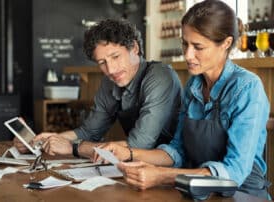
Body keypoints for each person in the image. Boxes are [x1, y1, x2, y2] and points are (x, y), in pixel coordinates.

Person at [95, 0, 271, 199]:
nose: (188, 55)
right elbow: (178, 150)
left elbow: (234, 174)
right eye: (184, 44)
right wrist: (128, 153)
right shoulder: (193, 86)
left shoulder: (247, 88)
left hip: (242, 195)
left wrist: (162, 176)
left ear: (226, 44)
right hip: (197, 192)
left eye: (198, 47)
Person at [14, 19, 182, 158]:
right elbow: (89, 131)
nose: (111, 69)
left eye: (115, 57)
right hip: (138, 166)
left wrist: (73, 148)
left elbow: (139, 145)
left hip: (173, 168)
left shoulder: (160, 76)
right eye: (102, 62)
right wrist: (48, 139)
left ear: (134, 48)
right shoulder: (110, 81)